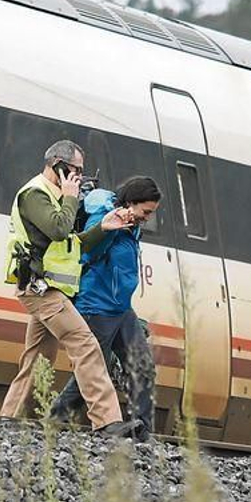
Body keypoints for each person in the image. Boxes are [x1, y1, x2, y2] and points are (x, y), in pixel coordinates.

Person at [0, 140, 136, 437]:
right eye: (76, 171)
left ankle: (9, 420)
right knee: (85, 344)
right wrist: (72, 197)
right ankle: (107, 421)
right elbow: (59, 228)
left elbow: (71, 244)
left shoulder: (57, 197)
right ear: (58, 165)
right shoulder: (35, 194)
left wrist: (104, 227)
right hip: (39, 288)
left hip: (50, 288)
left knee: (38, 357)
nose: (80, 179)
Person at [49, 175, 163, 442]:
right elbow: (86, 252)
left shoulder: (133, 223)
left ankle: (142, 431)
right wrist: (110, 228)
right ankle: (54, 420)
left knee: (142, 366)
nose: (147, 217)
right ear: (131, 202)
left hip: (121, 309)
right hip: (96, 306)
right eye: (146, 211)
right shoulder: (105, 215)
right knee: (92, 371)